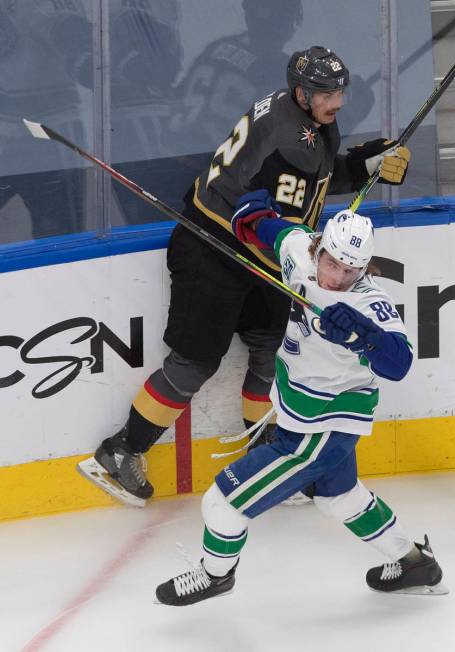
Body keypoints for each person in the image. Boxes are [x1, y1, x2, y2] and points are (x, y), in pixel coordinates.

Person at [77, 45, 411, 507]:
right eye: (325, 92)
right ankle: (120, 452)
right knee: (195, 361)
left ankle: (270, 458)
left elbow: (310, 182)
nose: (337, 100)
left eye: (339, 90)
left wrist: (362, 164)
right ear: (301, 92)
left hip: (257, 259)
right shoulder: (291, 139)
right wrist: (357, 171)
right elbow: (290, 214)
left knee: (271, 351)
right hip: (212, 251)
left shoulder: (299, 118)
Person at [155, 209, 446, 605]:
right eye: (332, 263)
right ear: (319, 248)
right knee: (339, 498)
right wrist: (251, 216)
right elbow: (273, 228)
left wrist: (364, 337)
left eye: (351, 270)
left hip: (322, 428)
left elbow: (399, 363)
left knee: (221, 504)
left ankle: (215, 574)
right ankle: (414, 563)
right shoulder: (298, 253)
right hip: (303, 415)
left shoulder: (369, 302)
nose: (337, 277)